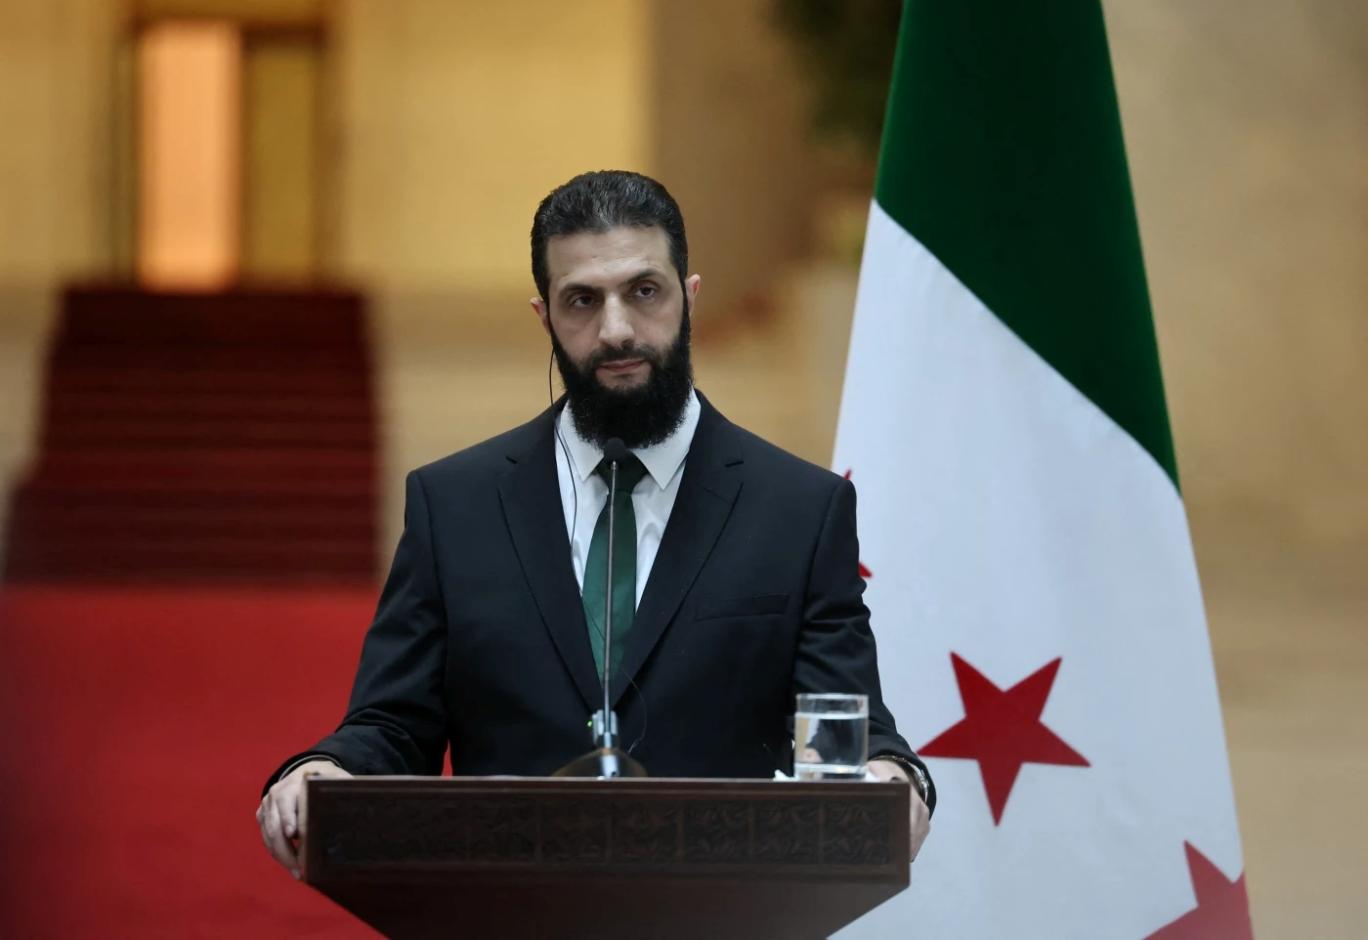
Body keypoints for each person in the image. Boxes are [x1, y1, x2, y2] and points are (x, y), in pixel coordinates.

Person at [256, 170, 934, 879]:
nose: (616, 330)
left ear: (689, 298)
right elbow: (393, 726)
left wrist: (892, 775)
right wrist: (324, 770)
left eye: (644, 291)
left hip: (724, 905)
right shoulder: (454, 506)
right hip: (510, 901)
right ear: (544, 317)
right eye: (583, 300)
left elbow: (847, 730)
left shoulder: (800, 510)